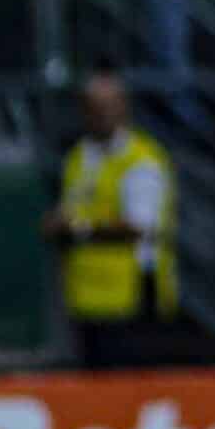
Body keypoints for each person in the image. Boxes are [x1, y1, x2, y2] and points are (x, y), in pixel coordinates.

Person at [45, 73, 180, 372]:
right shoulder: (79, 156)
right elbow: (72, 207)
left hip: (131, 295)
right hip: (84, 294)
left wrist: (79, 228)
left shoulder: (140, 159)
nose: (102, 113)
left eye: (110, 104)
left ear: (125, 108)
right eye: (94, 105)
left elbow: (138, 225)